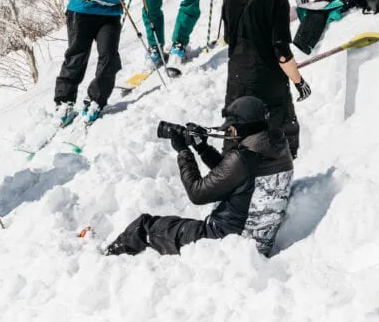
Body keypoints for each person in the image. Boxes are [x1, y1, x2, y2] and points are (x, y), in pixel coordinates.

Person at [104, 96, 294, 257]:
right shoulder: (275, 147)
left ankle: (108, 259)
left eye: (233, 128)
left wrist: (183, 151)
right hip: (254, 243)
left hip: (224, 241)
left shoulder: (243, 158)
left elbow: (197, 194)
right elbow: (232, 177)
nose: (231, 132)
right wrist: (202, 148)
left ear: (244, 128)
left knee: (145, 225)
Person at [222, 0, 311, 158]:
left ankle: (234, 186)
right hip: (268, 88)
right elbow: (281, 53)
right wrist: (299, 81)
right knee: (281, 141)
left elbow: (230, 40)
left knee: (237, 142)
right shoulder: (276, 1)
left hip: (236, 84)